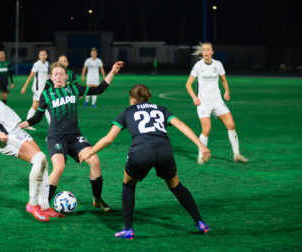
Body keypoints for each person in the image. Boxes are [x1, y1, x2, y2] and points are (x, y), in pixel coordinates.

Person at [79, 84, 211, 239]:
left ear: (132, 99)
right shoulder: (161, 109)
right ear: (148, 97)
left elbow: (108, 139)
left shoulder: (128, 111)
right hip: (164, 151)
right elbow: (180, 124)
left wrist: (90, 152)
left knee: (128, 184)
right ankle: (200, 222)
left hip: (141, 152)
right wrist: (201, 145)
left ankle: (128, 229)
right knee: (175, 184)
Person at [0, 47, 64, 223]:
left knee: (43, 163)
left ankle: (45, 207)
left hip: (13, 128)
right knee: (39, 159)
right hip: (5, 136)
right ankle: (32, 204)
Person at [19, 60, 124, 212]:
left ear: (66, 76)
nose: (59, 77)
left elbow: (99, 90)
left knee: (94, 161)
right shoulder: (46, 94)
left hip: (75, 136)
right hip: (56, 137)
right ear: (51, 77)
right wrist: (18, 126)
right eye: (55, 74)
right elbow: (36, 118)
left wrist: (112, 72)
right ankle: (43, 206)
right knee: (59, 168)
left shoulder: (74, 88)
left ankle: (98, 199)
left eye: (62, 74)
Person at [185, 42, 248, 164]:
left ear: (212, 52)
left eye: (208, 50)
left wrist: (227, 91)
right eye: (204, 50)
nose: (206, 52)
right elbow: (188, 84)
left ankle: (237, 155)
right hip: (203, 103)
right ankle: (200, 157)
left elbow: (223, 79)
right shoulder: (198, 66)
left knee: (231, 125)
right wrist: (194, 97)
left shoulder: (218, 65)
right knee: (207, 129)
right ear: (202, 52)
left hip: (217, 101)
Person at [21, 49, 50, 129]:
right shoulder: (37, 64)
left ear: (46, 56)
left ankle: (27, 123)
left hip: (42, 89)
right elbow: (30, 76)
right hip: (37, 89)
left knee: (34, 106)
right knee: (46, 105)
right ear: (39, 56)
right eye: (41, 55)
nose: (43, 56)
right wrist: (24, 86)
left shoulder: (47, 64)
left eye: (44, 54)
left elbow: (46, 75)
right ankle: (51, 125)